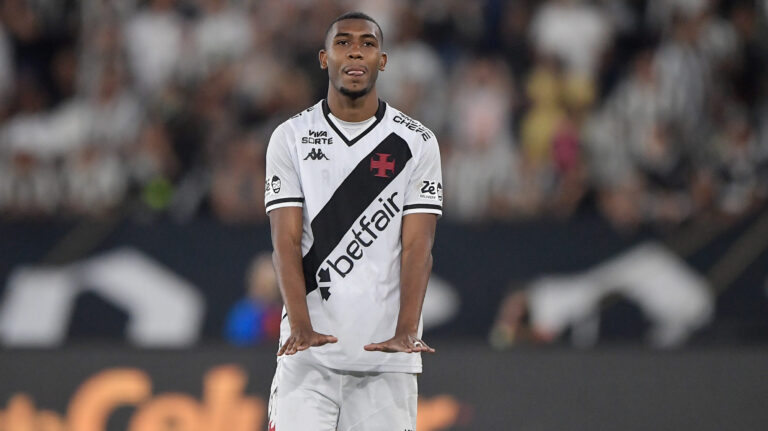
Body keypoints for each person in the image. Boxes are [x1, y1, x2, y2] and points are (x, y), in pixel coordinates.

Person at [264, 11, 443, 431]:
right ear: (324, 58)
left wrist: (405, 332)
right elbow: (284, 243)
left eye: (367, 43)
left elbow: (419, 247)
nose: (355, 52)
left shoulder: (415, 142)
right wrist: (302, 329)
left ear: (383, 60)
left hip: (387, 363)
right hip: (307, 362)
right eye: (343, 42)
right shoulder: (290, 136)